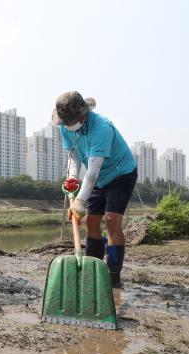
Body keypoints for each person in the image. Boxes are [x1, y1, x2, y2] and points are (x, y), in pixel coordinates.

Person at [52, 91, 138, 287]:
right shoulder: (65, 126)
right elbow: (74, 156)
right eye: (65, 121)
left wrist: (80, 202)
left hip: (120, 173)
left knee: (111, 220)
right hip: (97, 179)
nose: (68, 125)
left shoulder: (102, 128)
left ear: (83, 114)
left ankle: (113, 276)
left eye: (72, 120)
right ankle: (94, 269)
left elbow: (92, 171)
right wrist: (73, 177)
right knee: (91, 223)